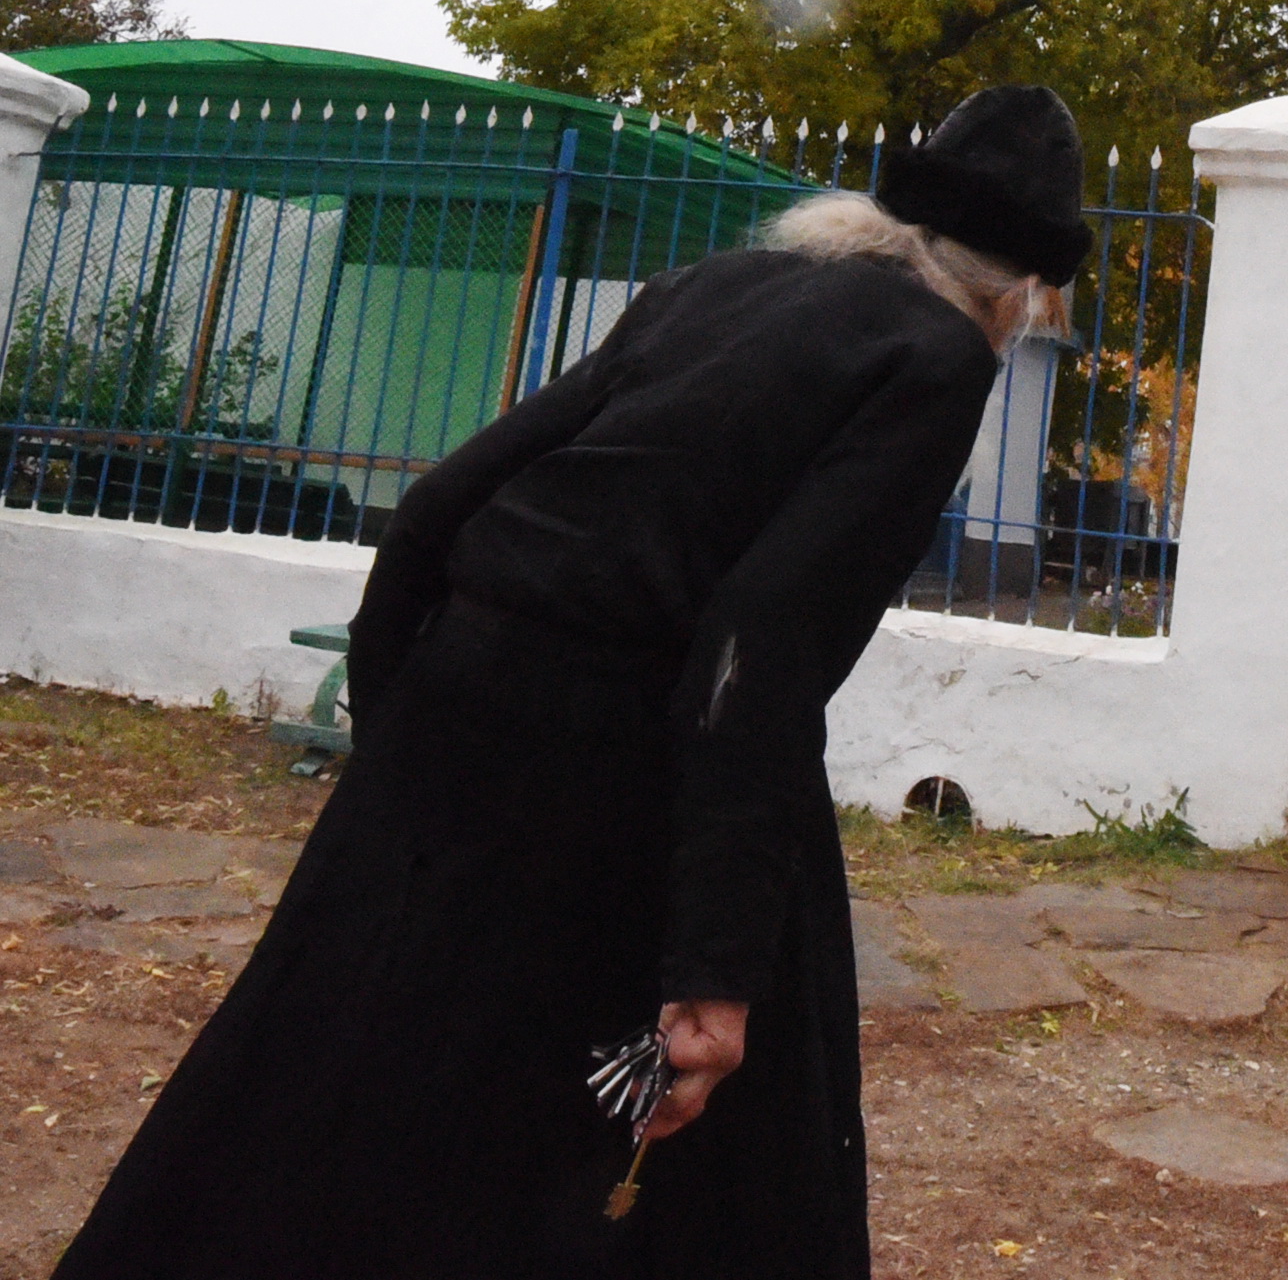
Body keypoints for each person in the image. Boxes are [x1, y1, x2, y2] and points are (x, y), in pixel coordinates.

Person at [55, 85, 1093, 1280]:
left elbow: (438, 505)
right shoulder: (937, 355)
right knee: (678, 1151)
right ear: (1018, 287)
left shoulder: (713, 287)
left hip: (457, 706)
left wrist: (407, 748)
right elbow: (754, 646)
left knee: (341, 1061)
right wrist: (713, 967)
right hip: (630, 760)